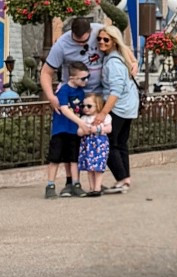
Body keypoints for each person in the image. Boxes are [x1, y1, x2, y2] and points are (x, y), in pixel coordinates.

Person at [91, 27, 141, 192]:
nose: (101, 42)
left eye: (106, 40)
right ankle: (125, 179)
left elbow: (116, 91)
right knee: (121, 143)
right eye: (99, 39)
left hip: (120, 107)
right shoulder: (118, 56)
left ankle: (121, 177)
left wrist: (103, 113)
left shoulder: (113, 62)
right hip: (129, 105)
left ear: (114, 41)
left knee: (109, 142)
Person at [45, 61, 92, 197]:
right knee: (55, 158)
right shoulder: (64, 90)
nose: (86, 81)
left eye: (87, 77)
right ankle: (50, 185)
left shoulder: (81, 92)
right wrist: (81, 123)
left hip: (74, 130)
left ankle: (75, 184)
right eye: (83, 78)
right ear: (72, 78)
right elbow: (64, 109)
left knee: (74, 158)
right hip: (61, 129)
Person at [39, 14, 102, 106]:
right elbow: (46, 73)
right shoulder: (61, 45)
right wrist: (51, 97)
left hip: (98, 95)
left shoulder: (100, 31)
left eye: (84, 41)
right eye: (77, 41)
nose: (80, 44)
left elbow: (121, 45)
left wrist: (131, 62)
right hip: (74, 96)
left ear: (90, 31)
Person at [77, 97, 110, 197]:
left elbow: (109, 128)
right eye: (83, 106)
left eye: (89, 106)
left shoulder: (104, 117)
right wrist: (84, 130)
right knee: (89, 167)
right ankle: (91, 187)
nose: (86, 108)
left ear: (97, 106)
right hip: (87, 144)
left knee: (98, 167)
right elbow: (78, 132)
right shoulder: (83, 119)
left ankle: (97, 187)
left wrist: (98, 129)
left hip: (99, 143)